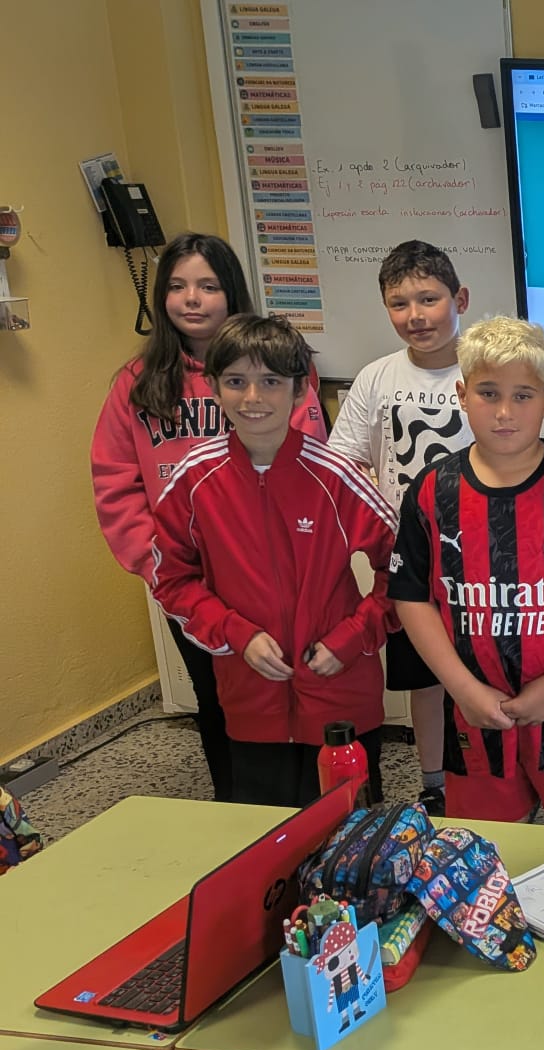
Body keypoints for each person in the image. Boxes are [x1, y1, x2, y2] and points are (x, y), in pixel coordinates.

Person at [91, 233, 325, 803]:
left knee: (286, 687)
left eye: (208, 286)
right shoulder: (136, 382)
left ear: (232, 292)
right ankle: (234, 809)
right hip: (188, 579)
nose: (191, 299)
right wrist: (157, 565)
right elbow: (116, 482)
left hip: (270, 571)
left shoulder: (280, 368)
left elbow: (309, 459)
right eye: (177, 286)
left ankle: (308, 807)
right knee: (215, 698)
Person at [388, 315, 544, 830]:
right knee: (488, 851)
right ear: (462, 395)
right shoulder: (431, 491)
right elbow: (410, 596)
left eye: (522, 396)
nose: (504, 412)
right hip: (473, 712)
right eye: (488, 393)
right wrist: (463, 689)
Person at [149, 315, 393, 808]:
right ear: (213, 388)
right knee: (268, 834)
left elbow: (406, 574)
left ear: (300, 390)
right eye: (236, 381)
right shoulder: (194, 479)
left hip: (339, 694)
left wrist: (351, 638)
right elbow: (172, 579)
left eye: (271, 382)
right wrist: (235, 633)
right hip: (250, 697)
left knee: (349, 832)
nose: (253, 397)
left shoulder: (336, 475)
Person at [330, 239, 473, 815]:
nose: (416, 315)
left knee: (488, 666)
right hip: (408, 559)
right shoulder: (376, 378)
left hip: (482, 554)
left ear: (460, 299)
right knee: (425, 678)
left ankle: (494, 775)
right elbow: (345, 462)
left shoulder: (483, 368)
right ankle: (434, 780)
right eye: (399, 303)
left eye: (429, 299)